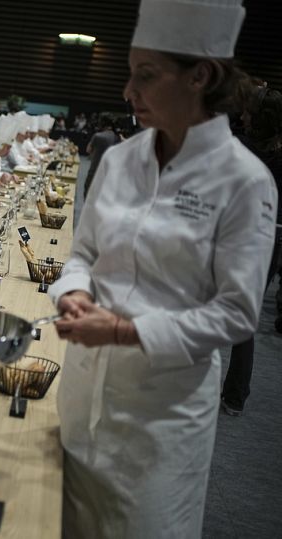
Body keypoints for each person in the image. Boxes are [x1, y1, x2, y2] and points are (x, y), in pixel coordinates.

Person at [49, 1, 278, 536]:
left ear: (200, 76)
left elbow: (237, 313)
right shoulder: (122, 159)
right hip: (83, 395)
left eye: (146, 75)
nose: (129, 91)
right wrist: (74, 292)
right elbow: (83, 254)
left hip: (159, 418)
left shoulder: (244, 181)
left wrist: (128, 331)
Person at [221, 85, 282, 415]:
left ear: (253, 116)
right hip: (270, 242)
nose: (241, 114)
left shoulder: (240, 147)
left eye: (247, 111)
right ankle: (235, 395)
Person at [83, 114, 120, 198]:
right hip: (110, 172)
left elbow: (88, 150)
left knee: (88, 194)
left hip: (95, 169)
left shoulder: (98, 136)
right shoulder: (117, 137)